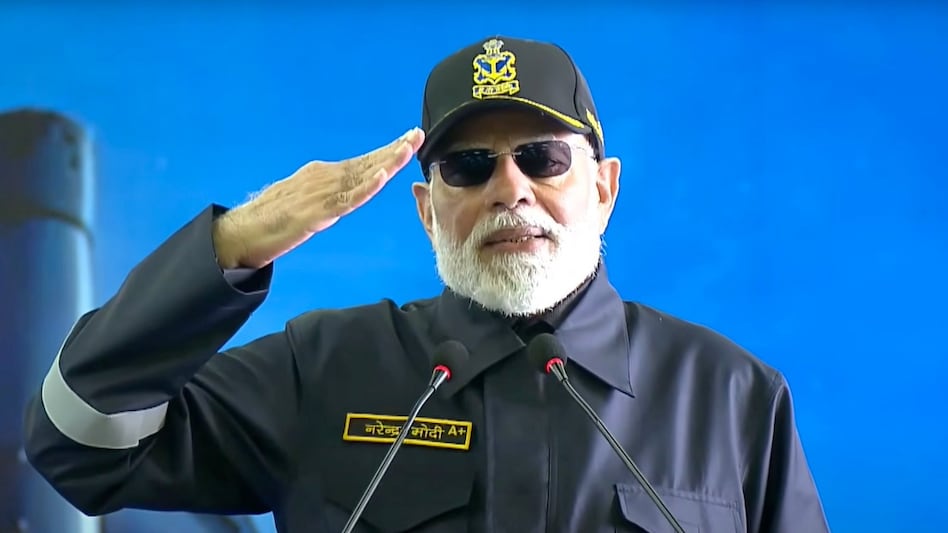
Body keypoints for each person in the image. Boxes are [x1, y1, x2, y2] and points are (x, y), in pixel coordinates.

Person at [23, 35, 830, 533]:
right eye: (469, 166)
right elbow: (80, 442)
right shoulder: (323, 369)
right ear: (427, 207)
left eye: (543, 158)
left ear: (605, 186)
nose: (509, 189)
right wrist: (231, 242)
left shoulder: (733, 398)